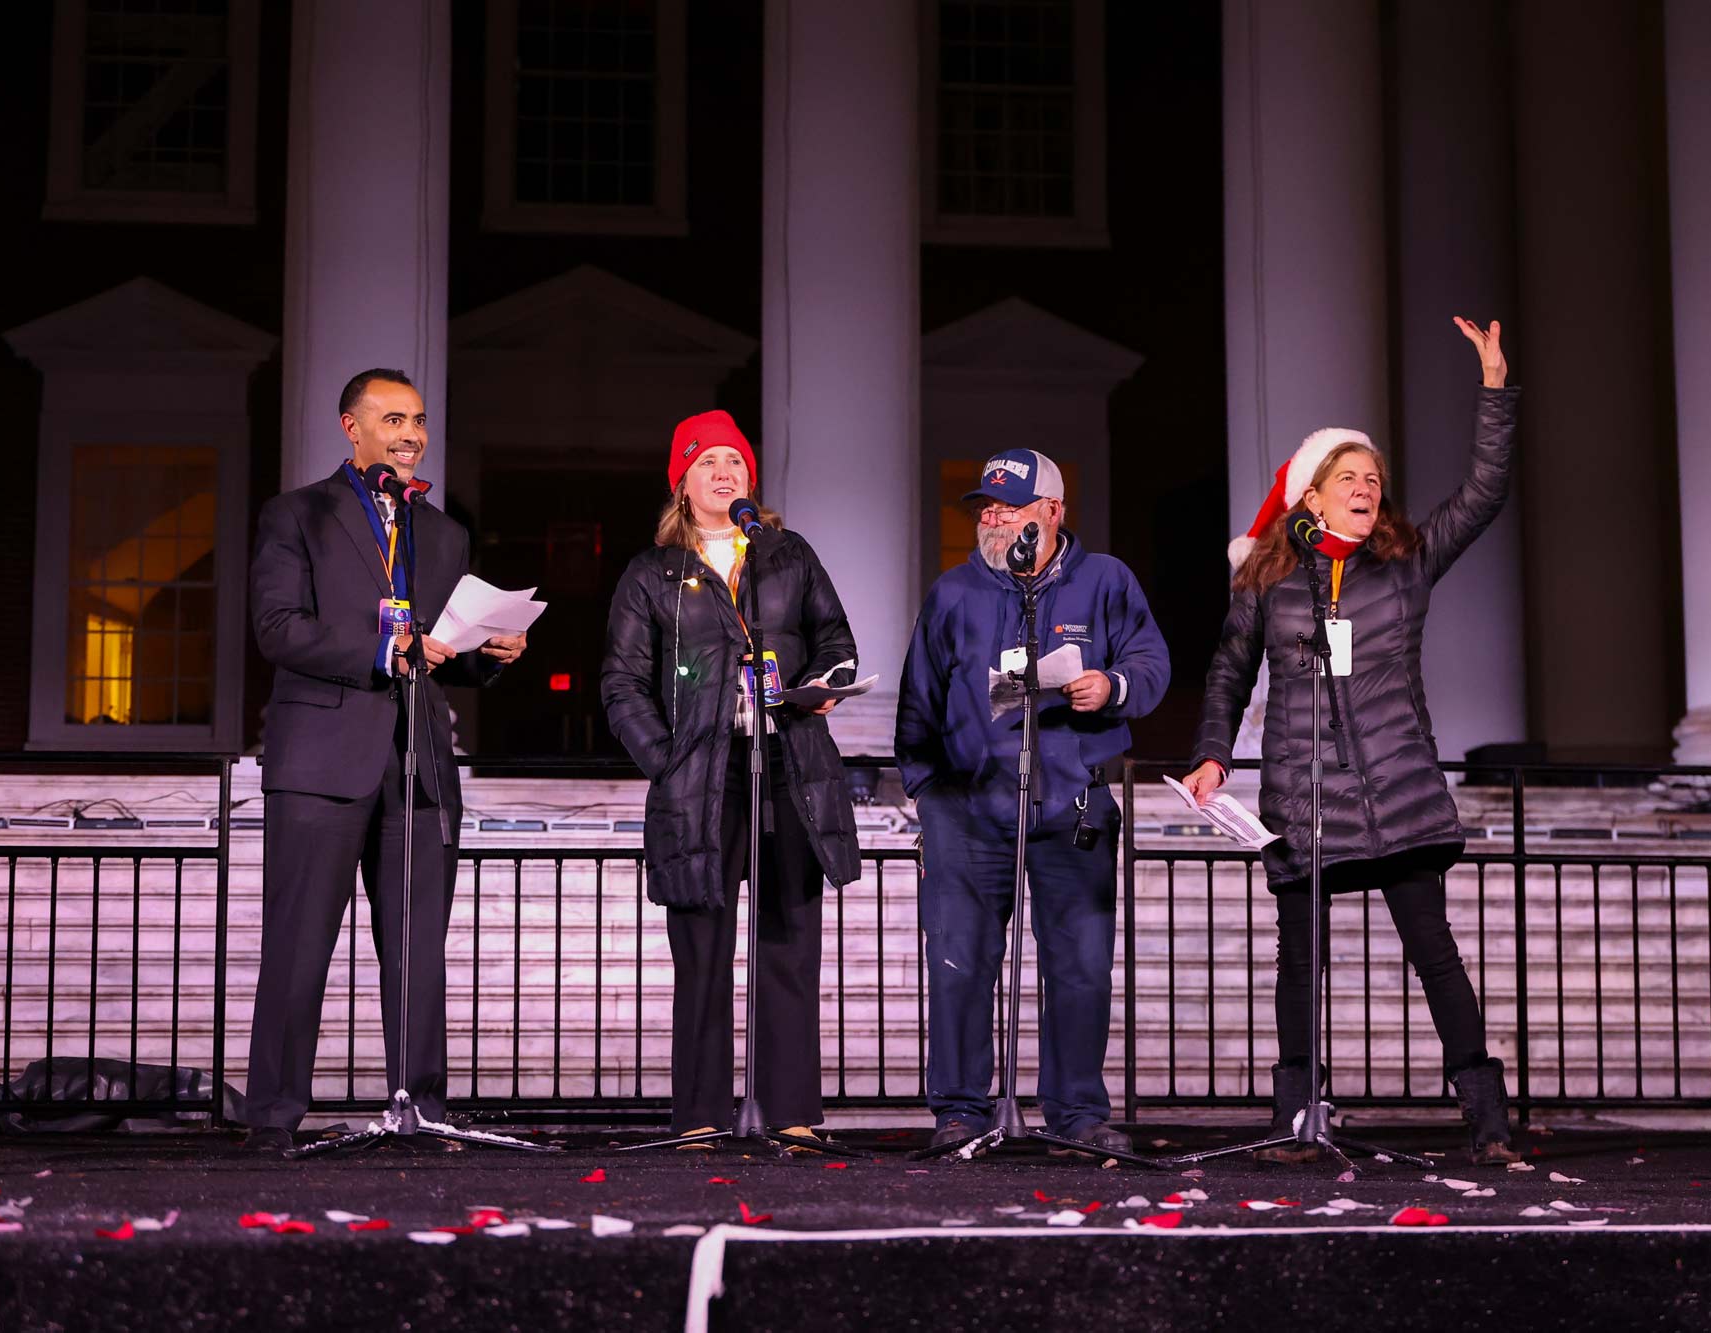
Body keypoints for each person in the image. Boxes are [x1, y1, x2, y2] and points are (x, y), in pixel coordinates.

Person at [1183, 318, 1521, 1164]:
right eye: (1348, 478)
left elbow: (1483, 492)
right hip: (1305, 798)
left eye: (1374, 477)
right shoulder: (1268, 580)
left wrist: (1494, 389)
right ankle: (1296, 1120)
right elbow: (1228, 670)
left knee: (1434, 952)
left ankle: (1488, 1121)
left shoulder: (1405, 563)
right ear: (1313, 496)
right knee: (1299, 963)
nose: (1366, 488)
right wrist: (1213, 751)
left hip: (1398, 794)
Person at [242, 368, 527, 1154]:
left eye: (420, 420)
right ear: (351, 427)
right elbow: (277, 627)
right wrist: (383, 649)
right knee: (299, 942)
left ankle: (420, 1104)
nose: (411, 434)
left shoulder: (441, 533)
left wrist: (490, 651)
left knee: (416, 949)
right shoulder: (297, 514)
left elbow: (443, 649)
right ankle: (272, 1114)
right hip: (321, 762)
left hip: (419, 763)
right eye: (393, 418)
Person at [600, 409, 862, 1144]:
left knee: (789, 945)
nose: (726, 474)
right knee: (704, 954)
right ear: (682, 481)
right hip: (700, 781)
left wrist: (821, 684)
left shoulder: (787, 554)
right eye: (709, 462)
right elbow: (621, 684)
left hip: (788, 769)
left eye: (737, 464)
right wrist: (668, 759)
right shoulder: (653, 573)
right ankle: (703, 1117)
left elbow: (837, 642)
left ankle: (793, 1115)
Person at [898, 450, 1171, 1153]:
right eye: (985, 506)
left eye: (1009, 505)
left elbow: (1152, 662)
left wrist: (1110, 685)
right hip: (967, 806)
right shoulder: (953, 593)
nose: (992, 517)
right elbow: (917, 706)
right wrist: (930, 796)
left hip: (1072, 805)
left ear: (1052, 511)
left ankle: (1077, 1114)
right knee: (959, 960)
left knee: (1080, 965)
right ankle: (960, 1109)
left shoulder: (1105, 580)